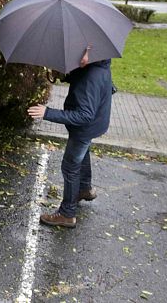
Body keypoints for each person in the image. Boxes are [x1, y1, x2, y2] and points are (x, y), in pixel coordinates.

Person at [27, 45, 113, 228]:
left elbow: (84, 115)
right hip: (96, 123)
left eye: (83, 53)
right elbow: (83, 75)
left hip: (85, 127)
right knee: (83, 153)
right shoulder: (99, 63)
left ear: (91, 54)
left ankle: (67, 214)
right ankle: (84, 188)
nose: (78, 57)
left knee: (70, 166)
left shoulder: (91, 78)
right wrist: (64, 75)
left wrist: (47, 112)